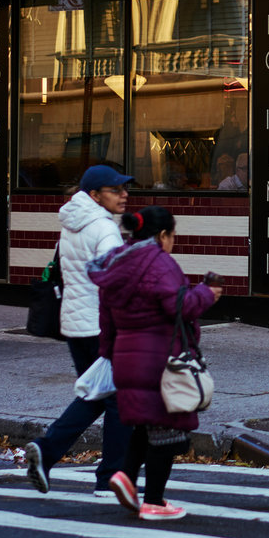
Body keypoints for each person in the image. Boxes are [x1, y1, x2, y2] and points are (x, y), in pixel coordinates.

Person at [92, 205, 217, 519]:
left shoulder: (118, 262)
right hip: (159, 358)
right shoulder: (161, 264)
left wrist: (109, 353)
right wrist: (206, 292)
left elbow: (105, 318)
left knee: (144, 426)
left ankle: (125, 477)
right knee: (168, 431)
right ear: (162, 235)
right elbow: (180, 307)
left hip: (126, 356)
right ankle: (155, 502)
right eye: (173, 235)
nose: (173, 242)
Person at [23, 164, 135, 496]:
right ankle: (109, 477)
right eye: (116, 190)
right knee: (118, 400)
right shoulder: (104, 229)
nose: (124, 195)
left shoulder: (72, 223)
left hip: (75, 325)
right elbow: (114, 283)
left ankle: (47, 451)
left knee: (96, 394)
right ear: (95, 195)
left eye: (124, 189)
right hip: (101, 327)